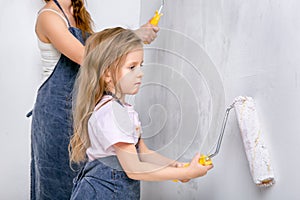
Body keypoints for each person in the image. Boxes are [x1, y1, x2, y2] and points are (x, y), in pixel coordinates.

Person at [30, 0, 159, 199]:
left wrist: (134, 36)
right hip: (55, 116)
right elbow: (89, 57)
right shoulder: (48, 16)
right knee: (56, 184)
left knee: (85, 182)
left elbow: (102, 45)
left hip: (82, 112)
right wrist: (133, 36)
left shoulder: (77, 14)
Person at [69, 27, 213, 199]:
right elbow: (134, 169)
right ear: (107, 74)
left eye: (141, 65)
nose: (140, 73)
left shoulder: (122, 110)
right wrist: (183, 173)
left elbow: (143, 153)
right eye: (132, 67)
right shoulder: (112, 113)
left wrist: (176, 167)